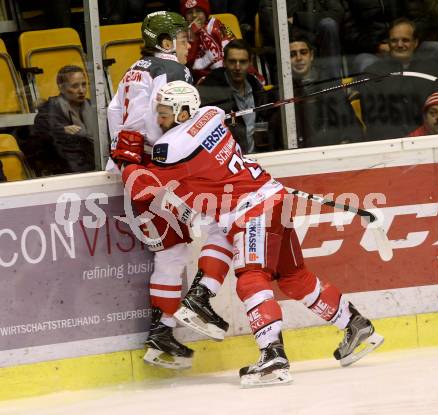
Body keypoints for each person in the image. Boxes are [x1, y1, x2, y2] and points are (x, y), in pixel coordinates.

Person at [122, 80, 384, 387]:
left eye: (165, 113)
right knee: (293, 276)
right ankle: (355, 324)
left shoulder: (173, 146)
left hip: (251, 210)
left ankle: (273, 356)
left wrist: (125, 160)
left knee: (250, 277)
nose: (159, 119)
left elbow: (142, 187)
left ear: (183, 111)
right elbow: (210, 120)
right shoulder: (210, 115)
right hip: (273, 198)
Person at [107, 11, 232, 370]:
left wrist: (126, 164)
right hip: (167, 171)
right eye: (180, 38)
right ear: (164, 43)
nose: (187, 42)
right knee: (222, 229)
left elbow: (119, 122)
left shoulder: (132, 71)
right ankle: (199, 301)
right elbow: (176, 124)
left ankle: (161, 332)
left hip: (136, 172)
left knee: (172, 252)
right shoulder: (175, 72)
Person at [359, 18, 438, 141]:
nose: (400, 45)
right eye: (394, 40)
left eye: (405, 40)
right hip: (390, 142)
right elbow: (374, 119)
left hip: (427, 140)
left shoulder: (432, 70)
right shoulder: (373, 73)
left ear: (415, 42)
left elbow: (436, 110)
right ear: (388, 43)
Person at [197, 39, 275, 153]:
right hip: (227, 161)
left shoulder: (257, 88)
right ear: (224, 62)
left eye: (242, 62)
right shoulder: (210, 90)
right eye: (232, 61)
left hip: (256, 158)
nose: (237, 67)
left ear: (250, 63)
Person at [289, 36, 363, 147]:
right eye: (292, 54)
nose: (299, 58)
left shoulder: (328, 83)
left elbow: (349, 124)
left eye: (303, 52)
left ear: (311, 56)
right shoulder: (283, 89)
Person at [31, 65, 96, 174]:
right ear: (61, 87)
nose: (81, 90)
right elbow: (39, 145)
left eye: (84, 84)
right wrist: (61, 131)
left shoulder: (94, 107)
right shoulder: (47, 113)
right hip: (64, 173)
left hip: (96, 169)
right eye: (75, 86)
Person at [179, 0, 235, 82]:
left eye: (198, 11)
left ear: (205, 13)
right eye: (190, 12)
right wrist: (194, 37)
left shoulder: (218, 25)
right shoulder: (181, 34)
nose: (194, 15)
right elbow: (186, 64)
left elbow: (237, 47)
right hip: (200, 80)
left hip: (229, 72)